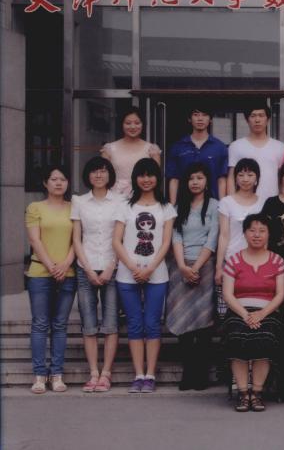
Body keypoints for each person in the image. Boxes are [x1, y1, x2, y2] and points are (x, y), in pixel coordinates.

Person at [112, 158, 177, 394]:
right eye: (142, 175)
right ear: (135, 178)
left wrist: (149, 269)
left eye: (150, 175)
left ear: (157, 178)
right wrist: (132, 267)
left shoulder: (166, 208)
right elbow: (116, 241)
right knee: (134, 324)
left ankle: (150, 375)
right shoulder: (125, 206)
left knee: (152, 324)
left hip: (157, 274)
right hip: (127, 274)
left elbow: (166, 242)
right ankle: (138, 374)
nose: (146, 179)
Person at [222, 214, 284, 412]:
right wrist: (245, 315)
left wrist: (262, 314)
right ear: (244, 233)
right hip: (238, 310)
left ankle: (257, 393)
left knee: (265, 337)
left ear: (268, 234)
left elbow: (280, 294)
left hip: (268, 312)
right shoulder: (233, 260)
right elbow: (227, 294)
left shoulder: (277, 261)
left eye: (262, 231)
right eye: (252, 230)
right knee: (236, 336)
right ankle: (243, 393)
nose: (257, 235)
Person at [70, 157, 122, 393]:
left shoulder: (120, 201)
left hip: (113, 268)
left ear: (110, 174)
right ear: (88, 176)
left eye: (103, 171)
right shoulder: (79, 201)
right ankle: (93, 373)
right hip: (86, 268)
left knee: (110, 323)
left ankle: (106, 373)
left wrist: (112, 265)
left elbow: (122, 238)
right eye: (94, 171)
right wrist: (88, 269)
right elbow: (77, 238)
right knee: (89, 324)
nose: (99, 175)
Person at [25, 165, 77, 394]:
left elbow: (78, 240)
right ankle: (39, 375)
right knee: (40, 324)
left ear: (67, 183)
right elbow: (35, 240)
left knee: (60, 325)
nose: (58, 183)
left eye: (63, 179)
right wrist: (51, 266)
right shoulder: (35, 207)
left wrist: (65, 264)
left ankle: (56, 374)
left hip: (68, 273)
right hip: (39, 273)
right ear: (45, 183)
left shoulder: (74, 208)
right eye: (54, 179)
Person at [168, 163, 219, 391]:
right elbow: (176, 237)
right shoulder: (179, 207)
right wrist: (182, 266)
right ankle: (188, 373)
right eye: (191, 178)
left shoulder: (215, 206)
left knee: (204, 322)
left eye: (199, 178)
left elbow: (213, 238)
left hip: (205, 266)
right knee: (183, 319)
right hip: (180, 267)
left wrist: (196, 267)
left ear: (207, 181)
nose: (195, 182)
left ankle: (201, 374)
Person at [216, 159, 267, 303]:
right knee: (228, 305)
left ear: (257, 178)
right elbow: (223, 235)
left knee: (253, 303)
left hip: (257, 262)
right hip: (231, 260)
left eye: (250, 175)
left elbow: (266, 237)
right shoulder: (226, 202)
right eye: (241, 175)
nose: (245, 179)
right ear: (235, 178)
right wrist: (219, 267)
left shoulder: (264, 202)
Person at [166, 108, 229, 203]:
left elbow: (221, 180)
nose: (200, 119)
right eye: (196, 115)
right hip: (183, 204)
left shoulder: (220, 147)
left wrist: (221, 205)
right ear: (189, 119)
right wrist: (173, 206)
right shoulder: (178, 147)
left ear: (210, 119)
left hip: (211, 204)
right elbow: (174, 179)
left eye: (204, 115)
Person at [227, 105, 284, 198]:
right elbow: (231, 177)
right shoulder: (236, 146)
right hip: (243, 203)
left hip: (271, 202)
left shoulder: (280, 147)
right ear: (247, 120)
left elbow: (283, 178)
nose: (257, 120)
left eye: (261, 115)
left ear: (268, 119)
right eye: (253, 116)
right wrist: (232, 202)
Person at [100, 107, 162, 197]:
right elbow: (103, 177)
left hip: (142, 196)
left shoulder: (152, 149)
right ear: (122, 124)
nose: (133, 127)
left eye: (137, 123)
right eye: (128, 123)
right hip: (115, 195)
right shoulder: (109, 149)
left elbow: (155, 178)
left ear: (143, 124)